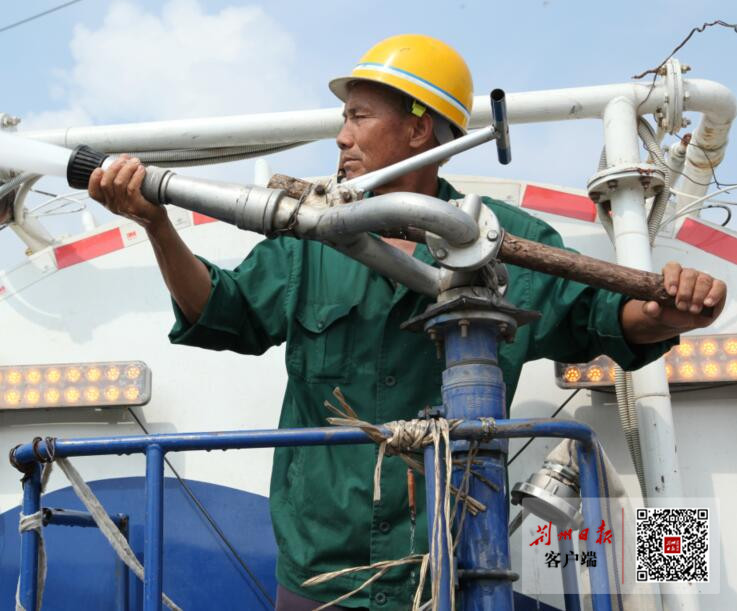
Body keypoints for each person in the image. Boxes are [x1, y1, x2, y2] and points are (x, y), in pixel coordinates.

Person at [87, 35, 726, 610]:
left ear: (419, 131)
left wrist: (666, 310)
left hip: (458, 568)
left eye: (358, 117)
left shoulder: (503, 238)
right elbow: (221, 312)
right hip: (322, 577)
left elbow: (604, 318)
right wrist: (156, 224)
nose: (342, 137)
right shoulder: (309, 239)